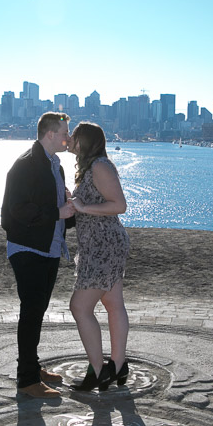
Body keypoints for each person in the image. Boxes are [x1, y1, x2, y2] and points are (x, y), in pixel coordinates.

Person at [1, 112, 76, 398]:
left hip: (49, 248)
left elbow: (56, 209)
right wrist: (59, 212)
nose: (67, 137)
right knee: (31, 313)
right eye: (64, 132)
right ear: (49, 134)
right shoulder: (27, 165)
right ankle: (27, 380)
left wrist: (69, 211)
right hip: (28, 248)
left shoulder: (54, 165)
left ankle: (32, 367)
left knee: (37, 311)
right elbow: (17, 210)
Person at [68, 122, 130, 391]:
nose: (69, 139)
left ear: (86, 141)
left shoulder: (100, 167)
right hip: (100, 244)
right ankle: (117, 365)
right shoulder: (89, 168)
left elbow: (120, 205)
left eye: (74, 136)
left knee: (80, 307)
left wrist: (83, 206)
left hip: (104, 246)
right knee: (113, 304)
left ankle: (98, 371)